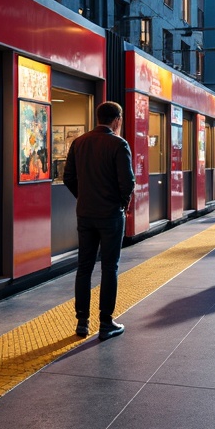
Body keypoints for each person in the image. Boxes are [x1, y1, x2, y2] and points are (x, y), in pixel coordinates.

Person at [63, 101, 135, 341]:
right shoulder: (118, 144)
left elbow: (68, 178)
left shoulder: (79, 142)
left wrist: (84, 197)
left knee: (84, 267)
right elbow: (128, 182)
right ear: (117, 120)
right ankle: (106, 323)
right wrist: (122, 204)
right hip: (111, 215)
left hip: (85, 214)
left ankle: (82, 322)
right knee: (109, 267)